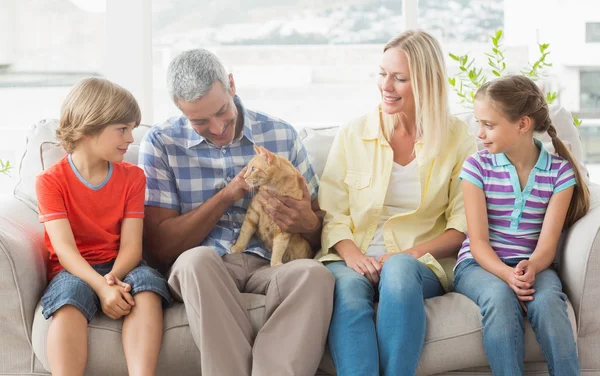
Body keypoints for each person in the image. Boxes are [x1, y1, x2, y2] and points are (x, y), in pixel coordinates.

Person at [139, 49, 334, 376]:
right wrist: (229, 194)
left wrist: (307, 222)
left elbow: (317, 229)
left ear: (231, 84)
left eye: (221, 111)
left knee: (315, 275)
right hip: (204, 266)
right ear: (178, 107)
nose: (217, 128)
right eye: (200, 121)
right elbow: (161, 247)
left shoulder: (280, 135)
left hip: (268, 264)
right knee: (196, 260)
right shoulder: (160, 144)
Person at [316, 29, 477, 375]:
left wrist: (406, 255)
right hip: (353, 256)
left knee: (399, 271)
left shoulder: (458, 139)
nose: (385, 86)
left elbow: (462, 226)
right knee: (346, 290)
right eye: (382, 73)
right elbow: (333, 213)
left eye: (399, 78)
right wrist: (354, 256)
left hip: (420, 262)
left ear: (426, 82)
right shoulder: (353, 133)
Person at [453, 75, 590, 375]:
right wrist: (506, 275)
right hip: (479, 265)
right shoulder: (477, 167)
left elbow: (547, 245)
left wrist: (531, 268)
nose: (480, 133)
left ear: (523, 125)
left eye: (489, 125)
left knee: (549, 304)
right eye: (479, 123)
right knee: (500, 299)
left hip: (535, 265)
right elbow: (477, 242)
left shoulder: (560, 174)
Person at [36, 77, 171, 376]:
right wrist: (100, 287)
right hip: (74, 269)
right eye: (122, 129)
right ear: (89, 127)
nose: (130, 139)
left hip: (121, 266)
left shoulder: (133, 177)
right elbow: (65, 250)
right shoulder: (50, 181)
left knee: (147, 287)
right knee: (68, 299)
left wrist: (112, 281)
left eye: (132, 129)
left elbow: (132, 247)